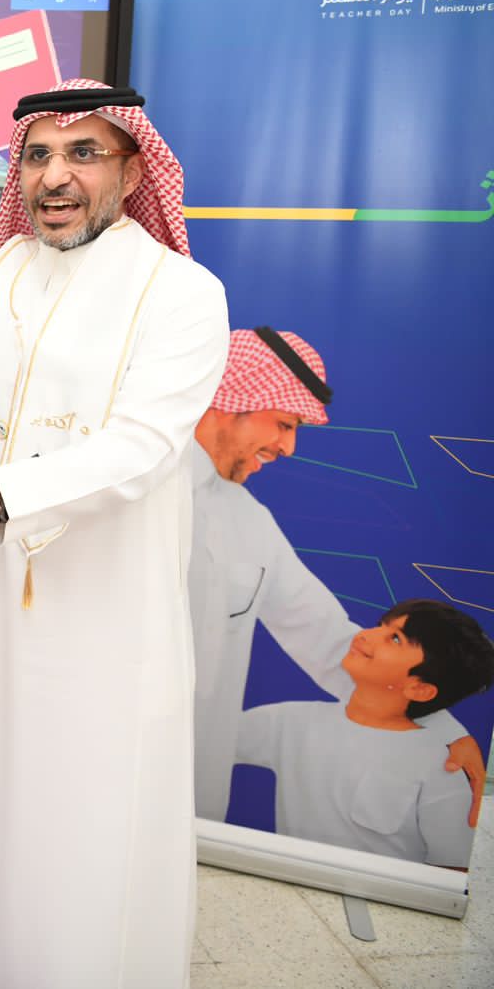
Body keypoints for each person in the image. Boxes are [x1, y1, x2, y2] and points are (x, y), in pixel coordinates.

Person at [0, 80, 229, 987]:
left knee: (91, 796)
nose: (56, 176)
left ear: (133, 170)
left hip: (105, 611)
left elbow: (143, 447)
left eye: (84, 153)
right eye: (38, 155)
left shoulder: (181, 294)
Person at [189, 328, 483, 824]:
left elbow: (330, 643)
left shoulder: (251, 522)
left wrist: (444, 733)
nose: (288, 447)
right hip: (98, 771)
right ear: (230, 398)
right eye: (284, 424)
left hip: (191, 799)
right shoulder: (132, 491)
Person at [236, 599, 494, 868]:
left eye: (395, 639)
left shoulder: (440, 765)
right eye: (380, 626)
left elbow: (453, 866)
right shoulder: (291, 722)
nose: (364, 634)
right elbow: (213, 741)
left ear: (420, 689)